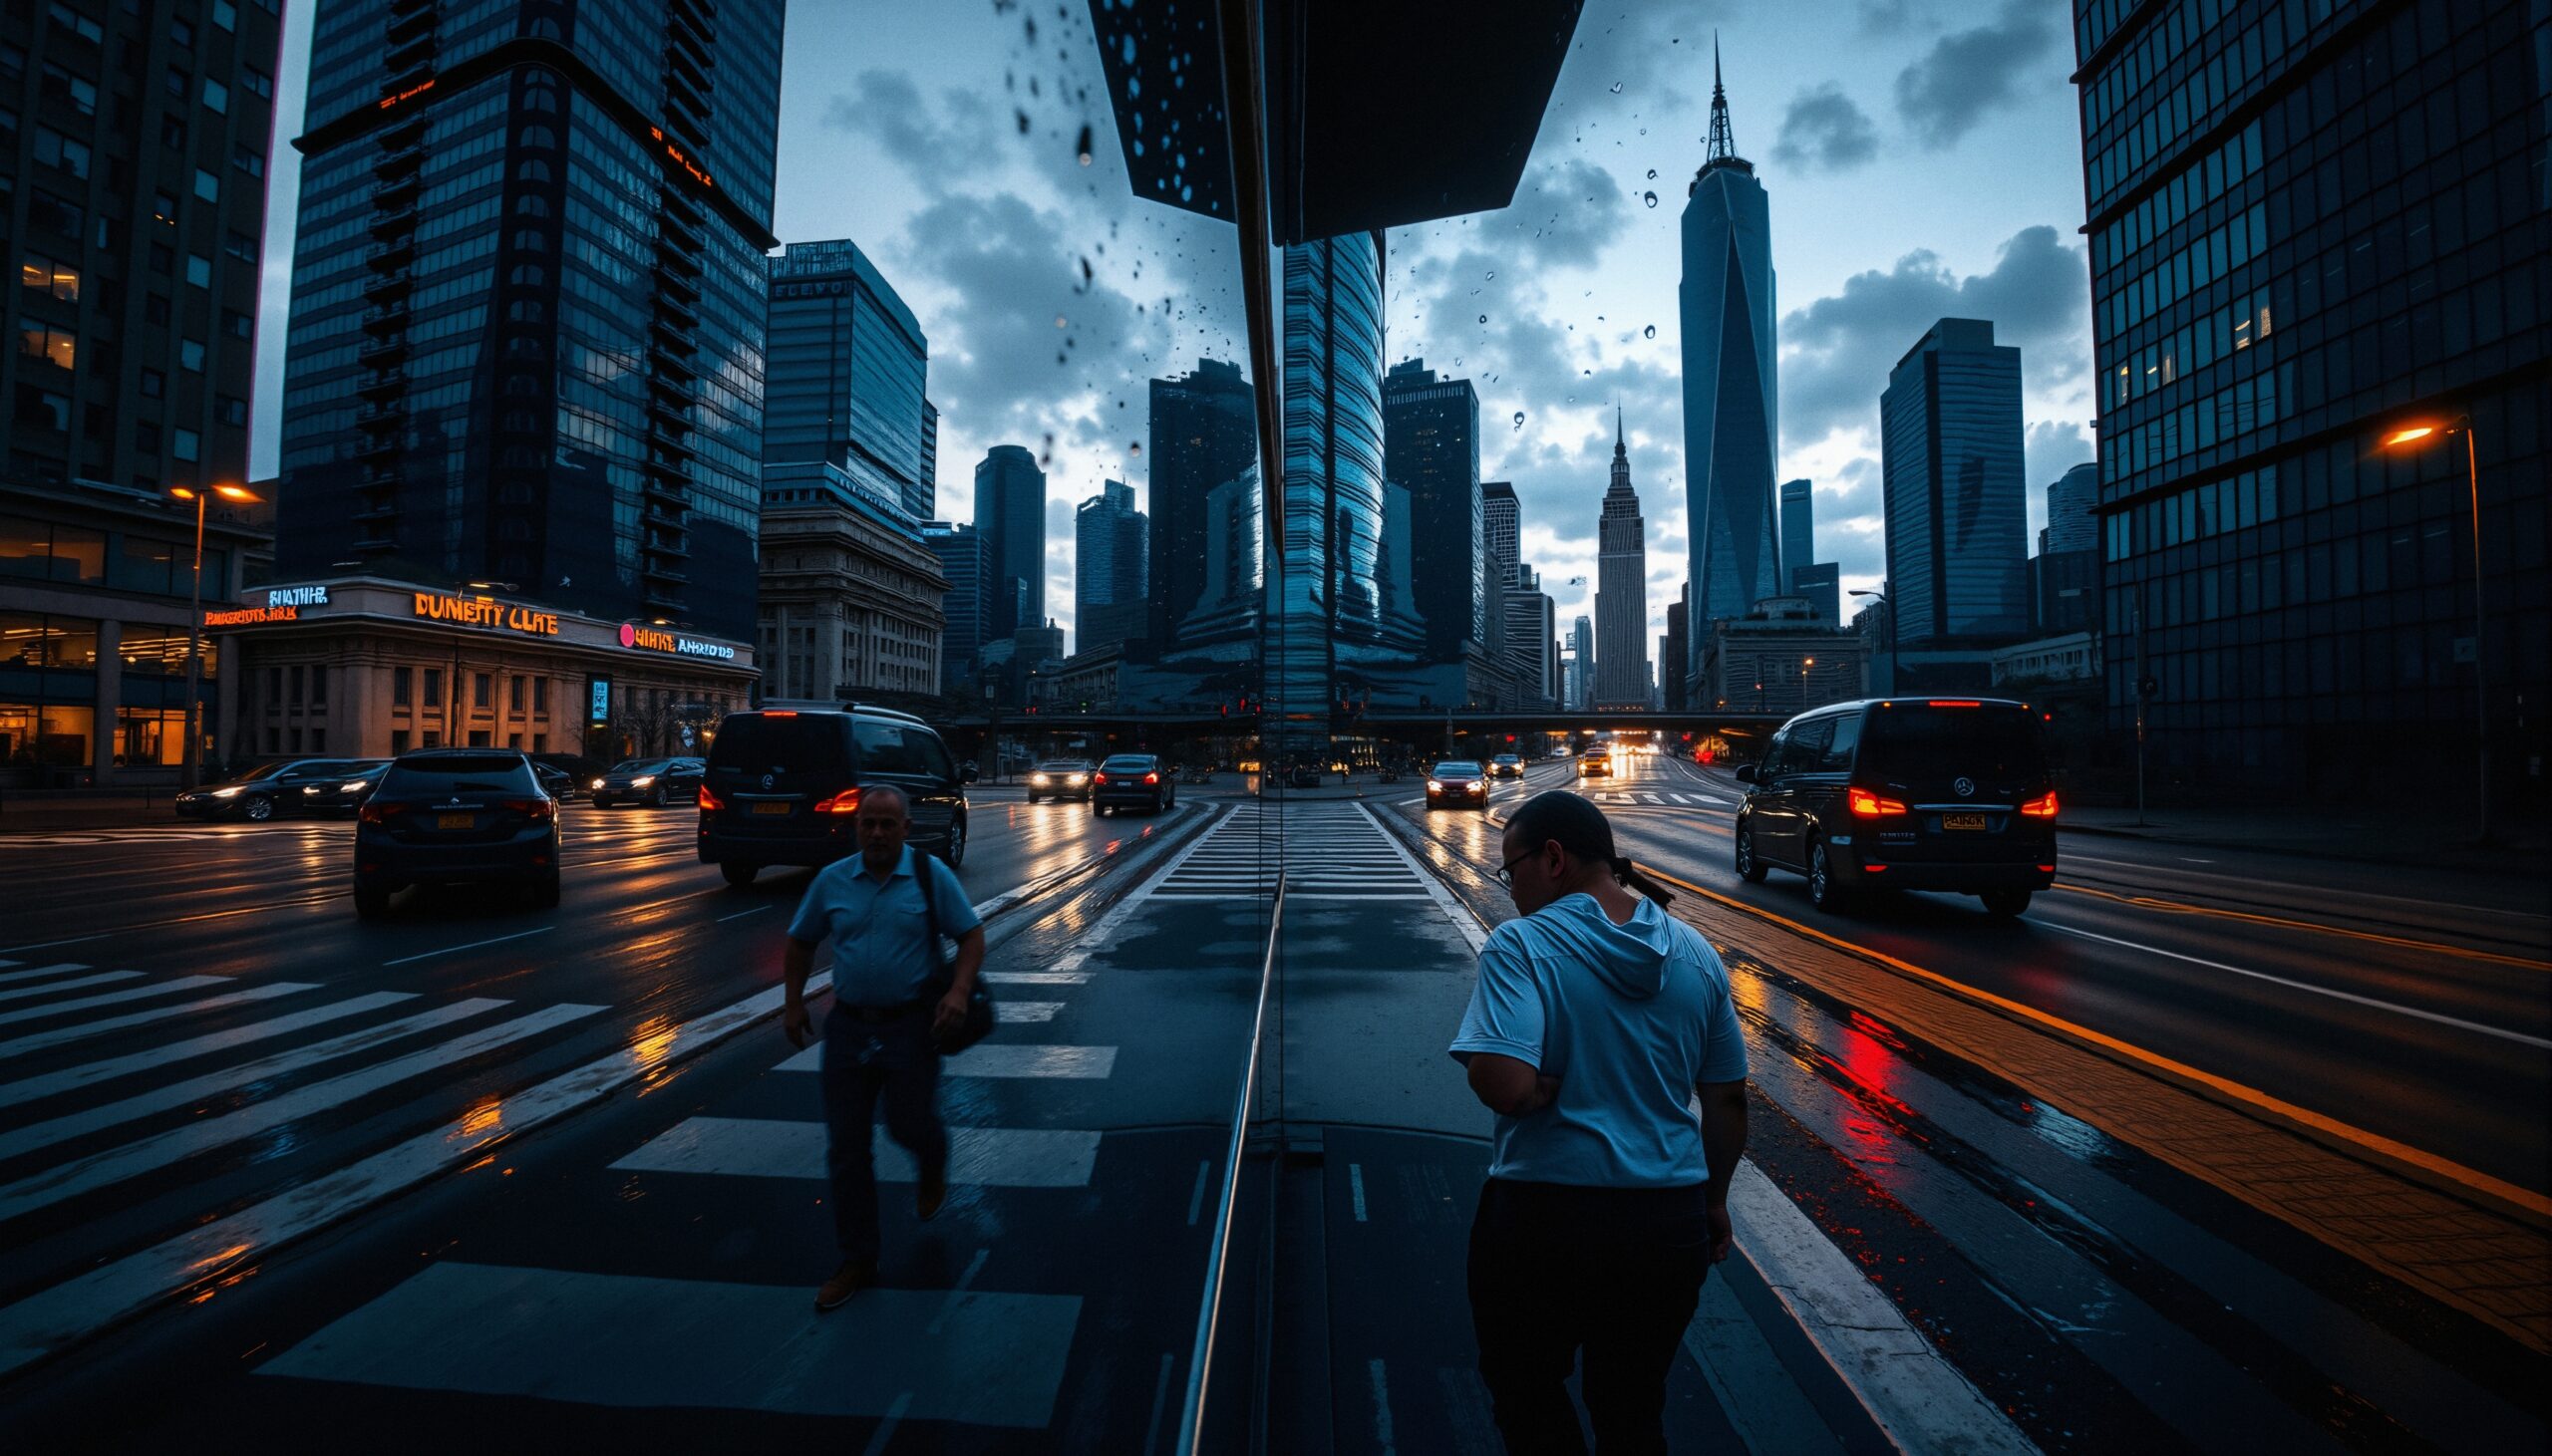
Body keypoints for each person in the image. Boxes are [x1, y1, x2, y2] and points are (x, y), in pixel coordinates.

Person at [1450, 789, 1751, 1455]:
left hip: (1544, 1217)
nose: (1511, 888)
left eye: (1512, 869)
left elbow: (1503, 1083)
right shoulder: (1695, 952)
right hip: (1667, 1223)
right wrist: (1712, 1201)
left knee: (1527, 1389)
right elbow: (1728, 1100)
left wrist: (1539, 1090)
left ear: (1554, 858)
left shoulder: (1521, 944)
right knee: (1633, 1407)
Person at [781, 785, 986, 1312]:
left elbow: (970, 936)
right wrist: (793, 1003)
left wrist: (959, 993)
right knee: (847, 1150)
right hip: (848, 1030)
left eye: (887, 824)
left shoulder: (929, 875)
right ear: (856, 828)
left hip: (910, 1028)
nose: (876, 833)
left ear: (905, 829)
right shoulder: (832, 880)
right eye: (868, 823)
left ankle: (931, 1158)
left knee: (908, 1125)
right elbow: (801, 941)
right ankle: (857, 1259)